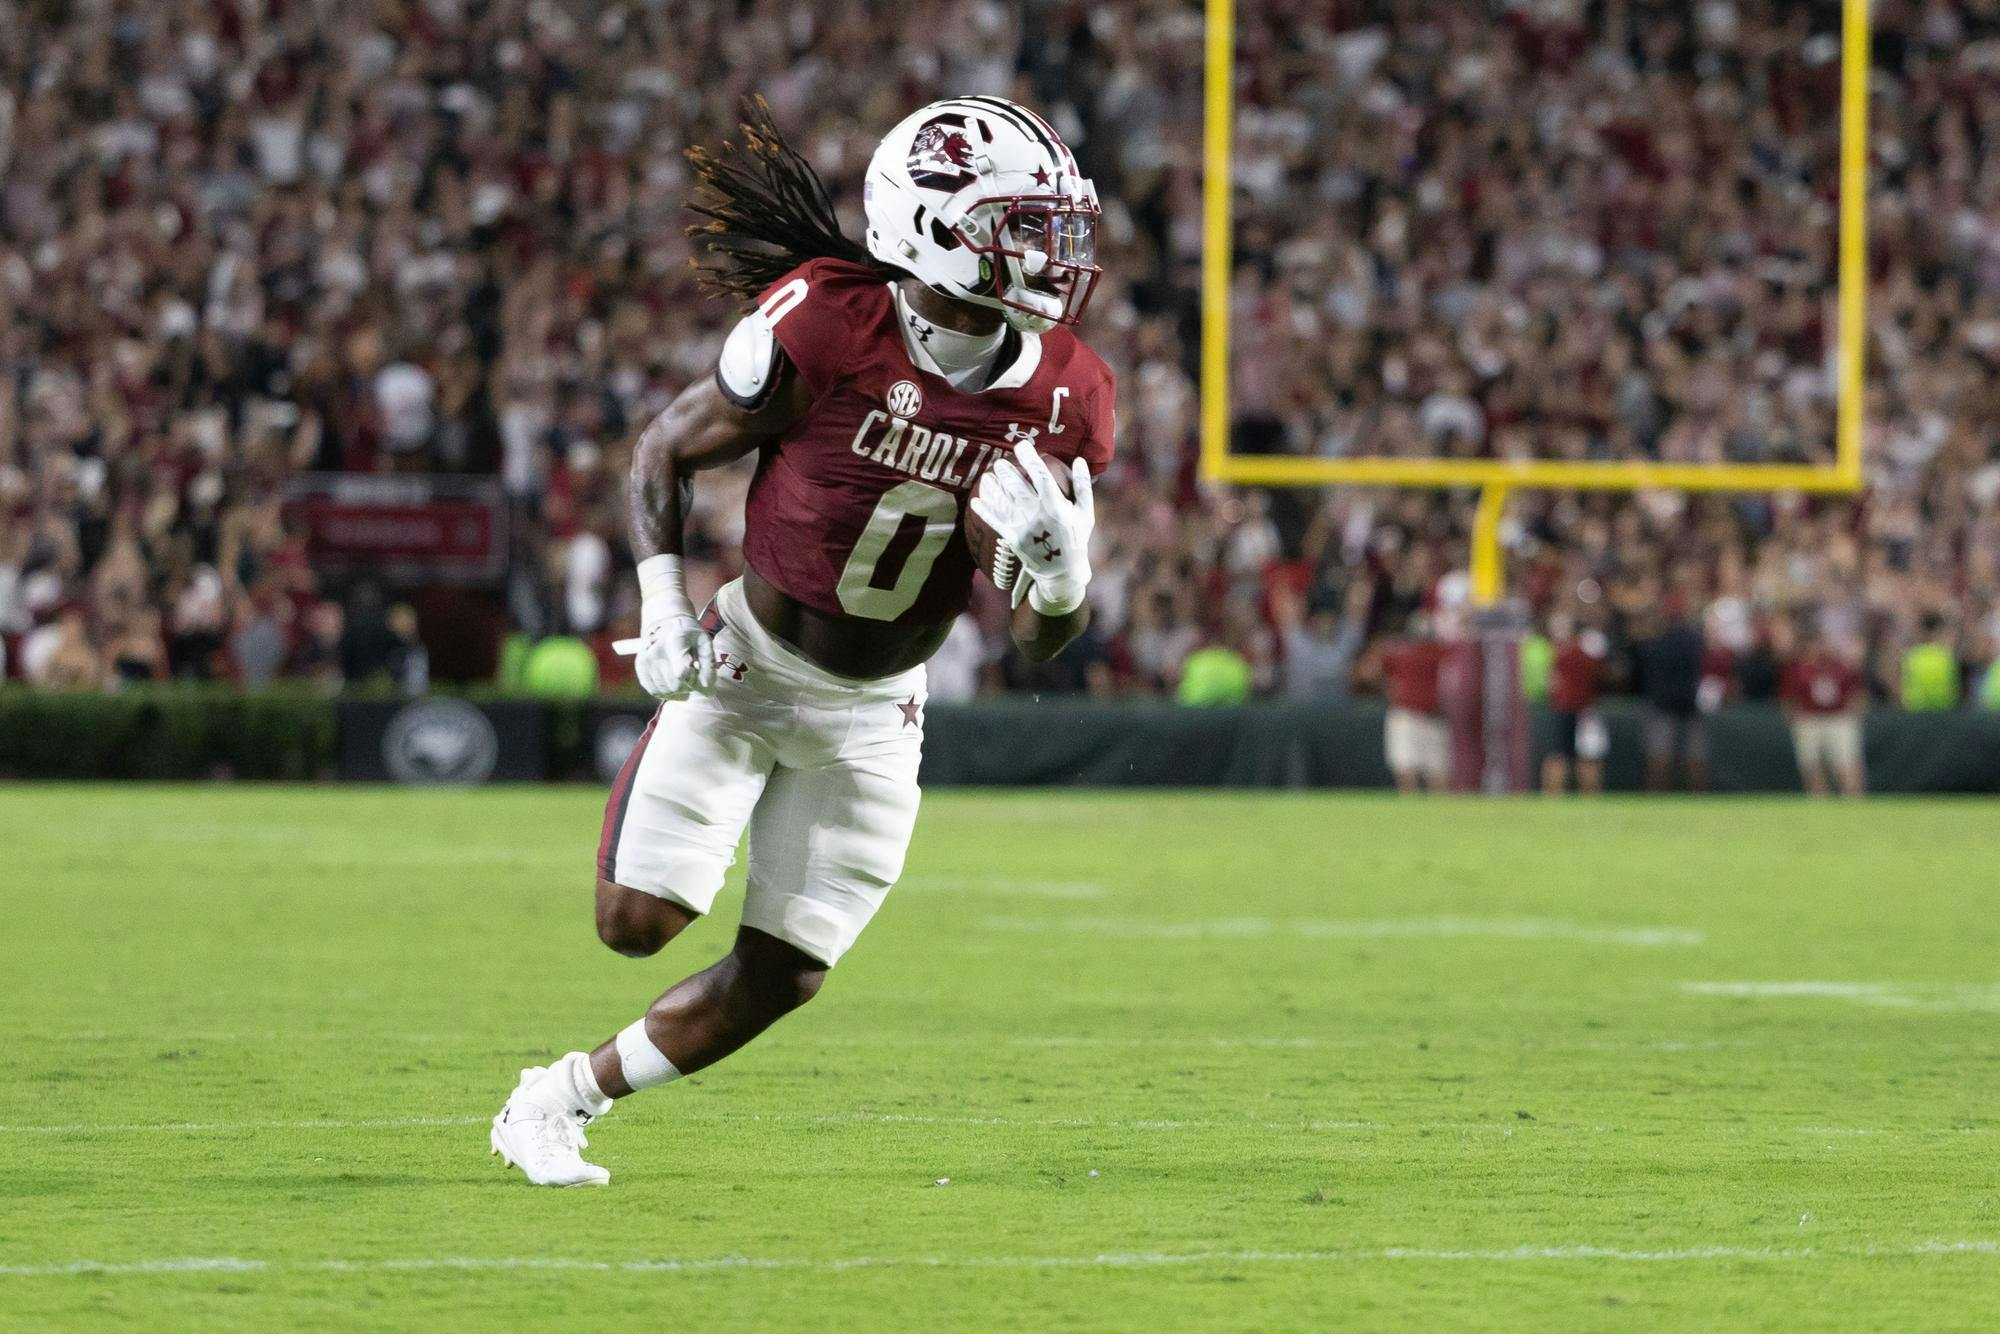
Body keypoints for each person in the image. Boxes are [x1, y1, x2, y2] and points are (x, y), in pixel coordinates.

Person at [491, 98, 1115, 1186]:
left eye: (1051, 227)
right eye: (1019, 225)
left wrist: (1064, 579)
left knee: (785, 971)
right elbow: (665, 449)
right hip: (749, 669)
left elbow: (1036, 644)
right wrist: (663, 603)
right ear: (930, 227)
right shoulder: (826, 325)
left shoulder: (1068, 393)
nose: (1049, 255)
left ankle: (560, 1097)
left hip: (878, 709)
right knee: (634, 921)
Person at [1782, 629, 1866, 798]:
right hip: (1809, 719)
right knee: (1811, 765)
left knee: (1846, 763)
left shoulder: (1841, 666)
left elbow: (1857, 692)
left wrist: (1854, 713)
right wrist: (1793, 720)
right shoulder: (1798, 669)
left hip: (1838, 717)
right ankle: (1818, 799)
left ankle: (1853, 798)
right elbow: (1788, 698)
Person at [1637, 600, 1708, 792]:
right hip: (1687, 703)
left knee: (1660, 757)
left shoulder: (1656, 641)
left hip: (1664, 704)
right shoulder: (1695, 640)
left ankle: (1657, 799)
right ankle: (1697, 799)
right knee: (1692, 759)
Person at [1378, 613, 1448, 794]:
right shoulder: (1440, 652)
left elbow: (1384, 672)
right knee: (1425, 771)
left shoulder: (1402, 652)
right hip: (1422, 715)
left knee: (1419, 770)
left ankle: (1419, 813)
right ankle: (1433, 816)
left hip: (1423, 716)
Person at [1542, 615, 1608, 796]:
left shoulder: (1563, 652)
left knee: (1566, 755)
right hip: (1584, 709)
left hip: (1573, 708)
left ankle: (1554, 796)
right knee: (1584, 757)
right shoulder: (1586, 651)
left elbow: (1551, 682)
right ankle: (1588, 796)